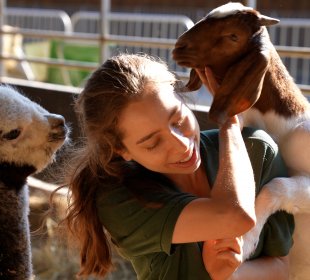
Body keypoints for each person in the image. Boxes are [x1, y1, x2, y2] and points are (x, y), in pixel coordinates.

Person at [58, 53, 294, 280]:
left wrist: (231, 276)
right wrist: (230, 122)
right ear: (122, 150)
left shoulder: (257, 150)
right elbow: (233, 216)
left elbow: (282, 268)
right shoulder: (117, 198)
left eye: (178, 120)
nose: (181, 146)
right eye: (153, 143)